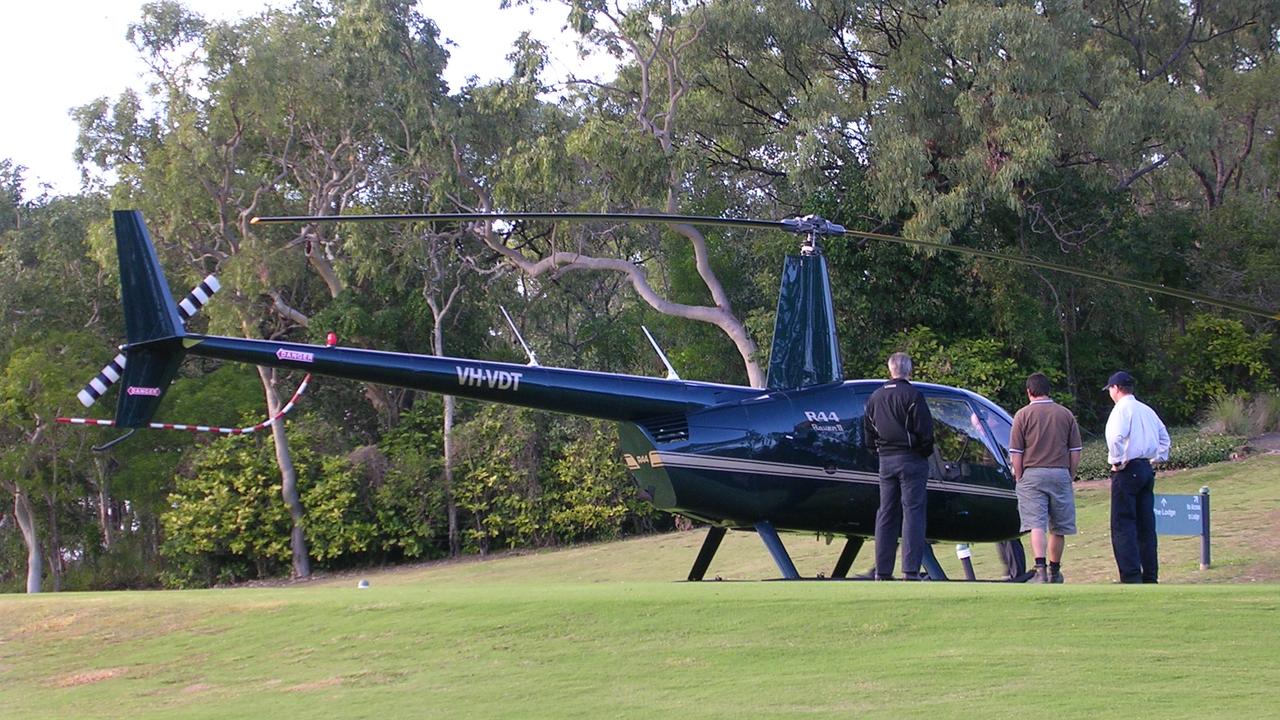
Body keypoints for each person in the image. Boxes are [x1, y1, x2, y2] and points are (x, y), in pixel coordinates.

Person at [863, 352, 935, 580]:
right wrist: (924, 452)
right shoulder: (913, 396)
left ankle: (882, 570)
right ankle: (910, 570)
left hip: (886, 460)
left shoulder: (875, 397)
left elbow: (868, 432)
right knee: (912, 513)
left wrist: (878, 451)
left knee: (886, 513)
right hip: (911, 459)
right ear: (908, 370)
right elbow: (925, 432)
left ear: (890, 369)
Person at [1008, 372, 1082, 584]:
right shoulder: (1065, 414)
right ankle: (1055, 571)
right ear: (1048, 390)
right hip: (1060, 472)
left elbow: (1016, 452)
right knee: (1059, 526)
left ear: (1029, 392)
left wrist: (1020, 475)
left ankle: (1040, 569)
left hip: (1032, 474)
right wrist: (1071, 474)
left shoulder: (1022, 415)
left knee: (1036, 523)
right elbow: (1075, 451)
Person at [1103, 371, 1171, 584]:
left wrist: (1116, 461)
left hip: (1127, 468)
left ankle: (1131, 575)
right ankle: (1150, 575)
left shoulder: (1121, 410)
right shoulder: (1147, 410)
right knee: (1145, 525)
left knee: (1123, 524)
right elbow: (1164, 438)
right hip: (1145, 469)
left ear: (1115, 388)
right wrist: (1157, 458)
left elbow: (1116, 437)